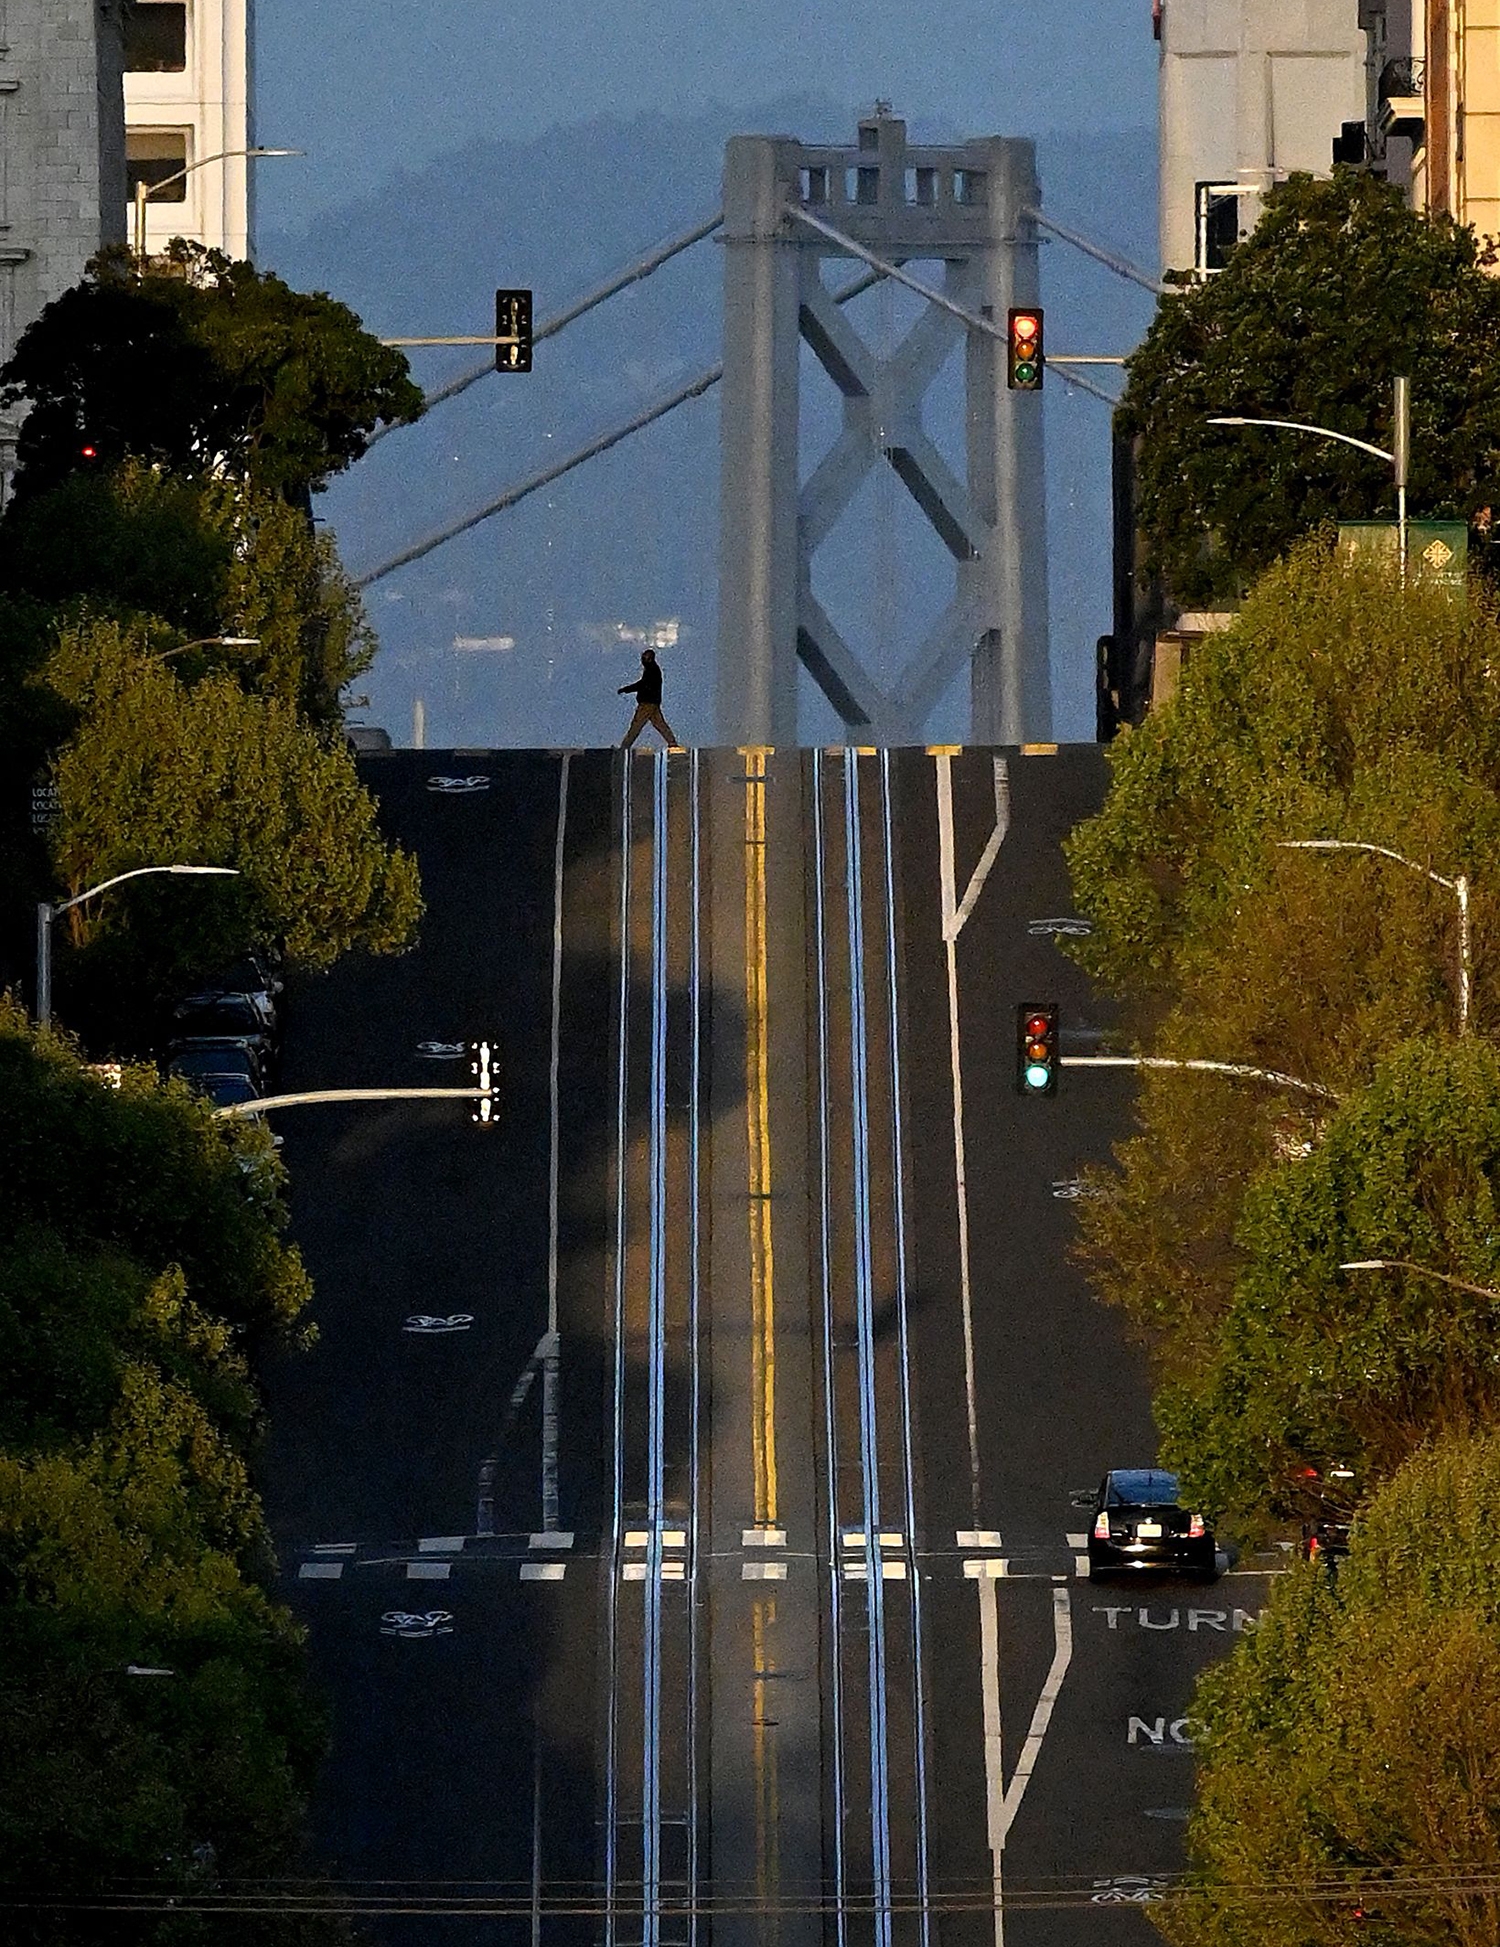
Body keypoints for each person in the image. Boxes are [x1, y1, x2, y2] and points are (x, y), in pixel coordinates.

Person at [617, 649, 680, 749]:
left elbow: (642, 685)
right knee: (661, 725)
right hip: (653, 703)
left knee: (636, 726)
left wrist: (626, 689)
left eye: (644, 658)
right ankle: (673, 744)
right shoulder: (653, 669)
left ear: (650, 659)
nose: (642, 660)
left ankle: (624, 747)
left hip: (647, 704)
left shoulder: (651, 670)